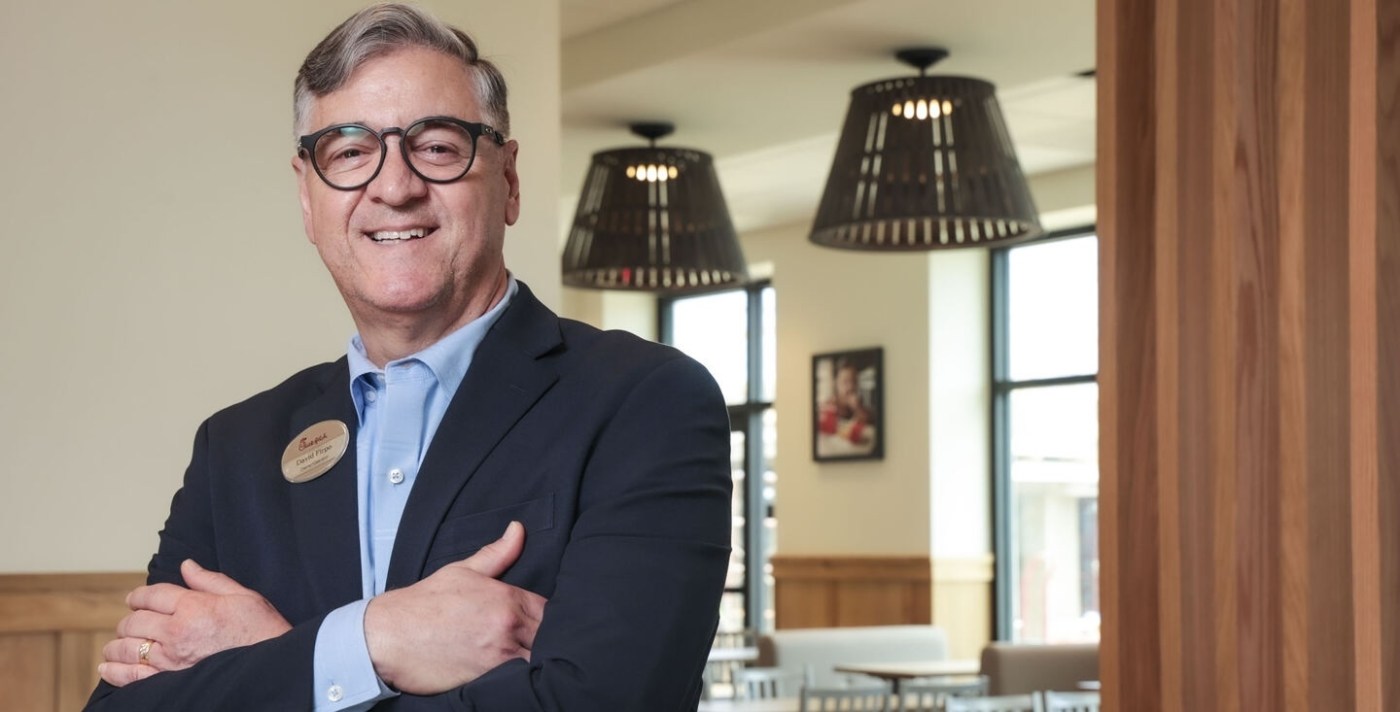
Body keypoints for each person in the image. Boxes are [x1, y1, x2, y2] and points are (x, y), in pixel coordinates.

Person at [83, 4, 732, 710]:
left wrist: (277, 660)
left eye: (439, 146)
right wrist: (372, 641)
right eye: (349, 152)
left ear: (509, 180)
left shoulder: (646, 401)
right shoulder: (234, 450)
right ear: (307, 197)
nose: (395, 188)